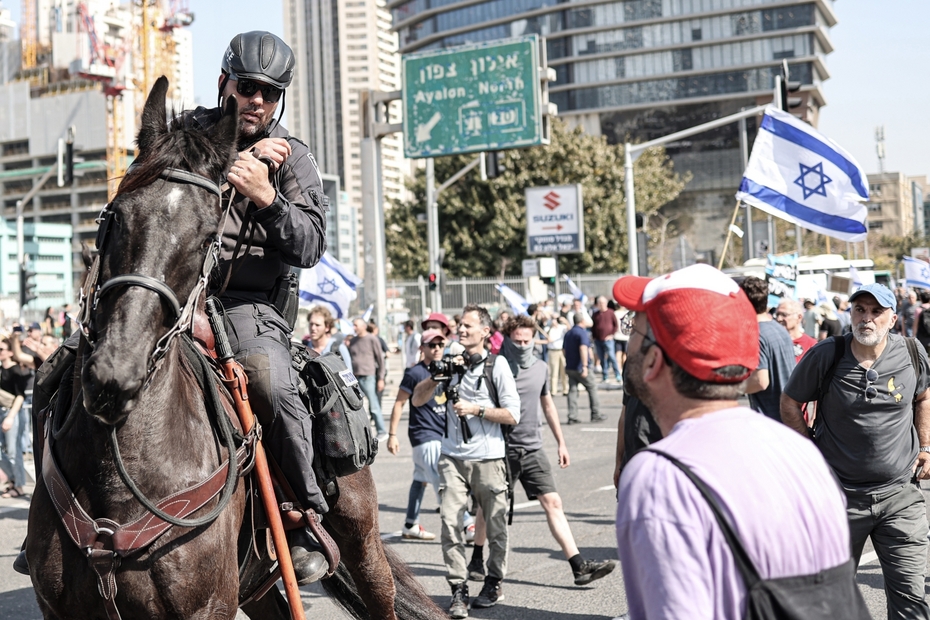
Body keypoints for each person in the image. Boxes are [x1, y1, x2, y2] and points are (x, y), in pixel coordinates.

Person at [614, 264, 862, 620]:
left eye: (634, 328)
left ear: (653, 360)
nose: (629, 340)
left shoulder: (660, 476)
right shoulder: (799, 452)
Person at [187, 30, 329, 585]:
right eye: (248, 87)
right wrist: (234, 160)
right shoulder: (190, 133)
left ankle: (301, 515)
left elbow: (313, 243)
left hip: (244, 304)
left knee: (269, 380)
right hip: (173, 291)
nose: (258, 101)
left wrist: (268, 197)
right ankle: (53, 513)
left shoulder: (293, 157)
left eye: (270, 93)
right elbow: (150, 181)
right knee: (82, 353)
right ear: (226, 83)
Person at [782, 283, 930, 620]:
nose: (867, 319)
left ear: (892, 318)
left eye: (876, 312)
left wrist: (926, 447)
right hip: (839, 500)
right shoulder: (826, 354)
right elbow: (790, 402)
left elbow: (924, 397)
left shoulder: (910, 351)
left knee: (911, 598)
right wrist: (811, 455)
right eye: (860, 310)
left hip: (899, 496)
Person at [468, 315, 617, 586]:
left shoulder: (540, 367)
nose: (524, 345)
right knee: (487, 507)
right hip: (500, 448)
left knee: (553, 502)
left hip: (533, 447)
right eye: (518, 340)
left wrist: (561, 442)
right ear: (508, 339)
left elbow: (547, 404)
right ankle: (477, 557)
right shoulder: (494, 366)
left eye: (528, 340)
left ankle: (578, 566)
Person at [411, 304, 520, 618]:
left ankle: (494, 581)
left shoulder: (496, 366)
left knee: (496, 527)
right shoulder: (449, 362)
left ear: (485, 331)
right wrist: (436, 377)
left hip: (489, 459)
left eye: (469, 325)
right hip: (452, 459)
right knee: (450, 525)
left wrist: (476, 410)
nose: (462, 329)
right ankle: (458, 589)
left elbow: (513, 415)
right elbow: (418, 400)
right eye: (460, 325)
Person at [387, 329, 448, 541]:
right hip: (424, 436)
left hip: (442, 434)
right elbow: (399, 403)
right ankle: (466, 523)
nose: (437, 349)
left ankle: (410, 524)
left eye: (441, 344)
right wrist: (392, 434)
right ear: (422, 348)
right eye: (432, 345)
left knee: (420, 479)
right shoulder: (415, 373)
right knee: (443, 481)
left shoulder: (447, 368)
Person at [739, 277, 796, 421]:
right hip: (789, 415)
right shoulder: (780, 329)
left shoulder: (756, 334)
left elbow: (760, 381)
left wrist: (733, 388)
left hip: (770, 418)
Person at [348, 317, 387, 441]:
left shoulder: (372, 339)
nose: (354, 328)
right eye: (353, 325)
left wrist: (381, 378)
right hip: (355, 378)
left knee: (374, 405)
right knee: (357, 407)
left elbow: (380, 360)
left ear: (363, 326)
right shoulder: (353, 341)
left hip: (369, 376)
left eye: (356, 325)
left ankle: (382, 431)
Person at [0, 337, 30, 498]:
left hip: (11, 412)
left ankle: (18, 485)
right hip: (2, 411)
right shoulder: (0, 369)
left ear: (10, 352)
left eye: (1, 349)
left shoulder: (16, 370)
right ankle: (12, 479)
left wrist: (10, 417)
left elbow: (20, 396)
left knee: (13, 451)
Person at [563, 312, 604, 424]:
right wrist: (585, 366)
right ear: (582, 321)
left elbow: (564, 350)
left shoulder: (569, 333)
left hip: (570, 367)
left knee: (572, 391)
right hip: (580, 367)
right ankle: (596, 414)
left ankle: (572, 416)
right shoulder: (582, 333)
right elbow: (583, 349)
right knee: (592, 388)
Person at [591, 296, 621, 383]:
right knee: (601, 358)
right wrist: (594, 336)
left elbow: (615, 325)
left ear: (606, 303)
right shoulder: (595, 314)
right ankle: (605, 375)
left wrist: (611, 335)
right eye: (600, 303)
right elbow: (594, 326)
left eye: (603, 303)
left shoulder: (611, 312)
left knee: (612, 356)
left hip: (608, 339)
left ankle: (617, 374)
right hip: (598, 339)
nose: (601, 304)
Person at [546, 314, 569, 395]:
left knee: (564, 371)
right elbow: (546, 337)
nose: (554, 320)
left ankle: (565, 389)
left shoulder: (562, 327)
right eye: (553, 318)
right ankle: (553, 390)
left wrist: (565, 321)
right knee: (554, 372)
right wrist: (551, 328)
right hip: (552, 351)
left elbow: (569, 329)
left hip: (561, 350)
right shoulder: (548, 328)